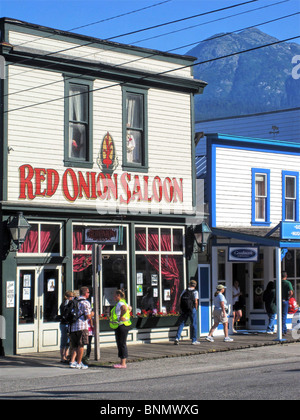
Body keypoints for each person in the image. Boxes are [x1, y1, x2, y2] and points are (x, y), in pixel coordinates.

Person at [69, 286, 94, 370]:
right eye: (88, 292)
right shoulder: (86, 303)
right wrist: (92, 314)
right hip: (82, 326)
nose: (89, 294)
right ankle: (79, 363)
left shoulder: (74, 301)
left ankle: (72, 361)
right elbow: (87, 316)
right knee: (81, 345)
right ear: (85, 293)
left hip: (73, 327)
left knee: (75, 345)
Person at [109, 289, 132, 369]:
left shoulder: (120, 303)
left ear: (118, 295)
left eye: (115, 295)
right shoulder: (124, 302)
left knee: (121, 343)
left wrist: (121, 316)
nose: (113, 297)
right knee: (122, 343)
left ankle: (123, 363)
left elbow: (125, 308)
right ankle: (122, 362)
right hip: (124, 325)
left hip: (121, 325)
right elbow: (129, 308)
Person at [174, 280, 200, 345]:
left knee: (182, 323)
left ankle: (177, 338)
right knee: (194, 324)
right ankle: (194, 340)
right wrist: (195, 308)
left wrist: (180, 307)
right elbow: (196, 301)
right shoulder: (195, 292)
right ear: (195, 285)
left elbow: (180, 299)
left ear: (189, 284)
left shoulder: (185, 290)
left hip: (184, 309)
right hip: (191, 309)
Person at [59, 290, 74, 363]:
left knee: (68, 341)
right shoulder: (64, 304)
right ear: (67, 297)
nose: (72, 298)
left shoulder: (71, 304)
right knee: (64, 340)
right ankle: (62, 356)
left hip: (69, 323)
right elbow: (65, 312)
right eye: (71, 296)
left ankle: (67, 355)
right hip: (64, 323)